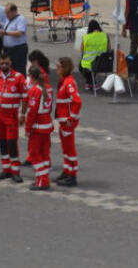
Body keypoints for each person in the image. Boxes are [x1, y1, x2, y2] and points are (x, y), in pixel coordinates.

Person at [0, 52, 26, 183]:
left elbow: (25, 98)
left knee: (12, 144)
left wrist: (22, 114)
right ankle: (6, 169)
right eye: (2, 63)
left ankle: (15, 172)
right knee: (2, 143)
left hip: (11, 116)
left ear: (11, 63)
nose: (4, 65)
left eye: (6, 63)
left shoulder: (19, 77)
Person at [21, 65, 55, 191]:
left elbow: (32, 112)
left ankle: (43, 181)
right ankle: (42, 178)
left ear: (31, 76)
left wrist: (27, 129)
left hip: (38, 126)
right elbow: (50, 107)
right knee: (44, 153)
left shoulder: (35, 90)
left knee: (34, 153)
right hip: (47, 124)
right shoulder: (49, 89)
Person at [54, 57, 82, 187]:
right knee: (66, 148)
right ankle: (67, 171)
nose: (56, 69)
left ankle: (72, 175)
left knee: (69, 149)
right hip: (64, 121)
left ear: (64, 68)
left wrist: (71, 118)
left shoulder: (69, 83)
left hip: (67, 122)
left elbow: (77, 102)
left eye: (58, 66)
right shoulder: (64, 81)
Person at [79, 19, 110, 91]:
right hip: (103, 63)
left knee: (81, 67)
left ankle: (92, 82)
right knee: (93, 66)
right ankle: (90, 83)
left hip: (89, 63)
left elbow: (81, 50)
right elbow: (109, 49)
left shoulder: (86, 37)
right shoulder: (105, 36)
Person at [0, 3, 28, 73]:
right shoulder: (7, 19)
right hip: (7, 50)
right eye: (5, 13)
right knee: (9, 70)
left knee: (19, 70)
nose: (6, 15)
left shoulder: (21, 19)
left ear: (14, 11)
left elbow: (19, 33)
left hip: (18, 49)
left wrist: (6, 33)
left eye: (8, 13)